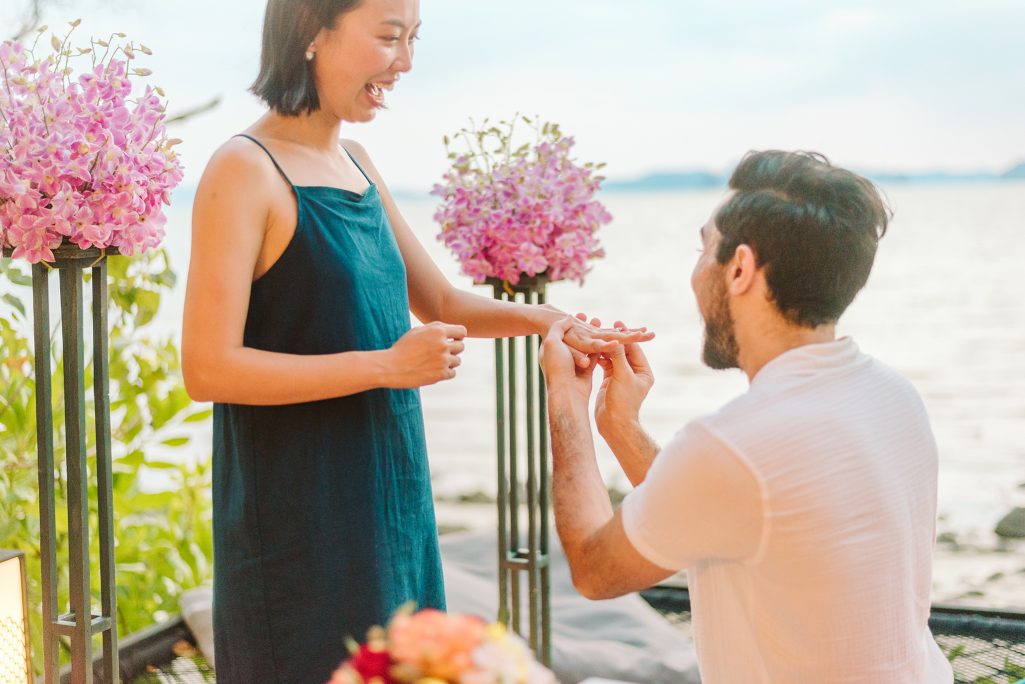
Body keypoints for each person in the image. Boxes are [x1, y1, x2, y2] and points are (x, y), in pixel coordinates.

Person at [180, 0, 650, 681]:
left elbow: (441, 302)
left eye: (413, 39)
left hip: (390, 505)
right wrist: (386, 365)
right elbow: (208, 368)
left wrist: (552, 321)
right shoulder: (244, 169)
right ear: (311, 33)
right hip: (298, 519)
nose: (404, 62)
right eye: (389, 37)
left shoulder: (358, 162)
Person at [540, 150, 954, 683]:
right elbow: (729, 509)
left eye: (702, 248)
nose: (694, 272)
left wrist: (564, 399)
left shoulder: (733, 445)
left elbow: (596, 571)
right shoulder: (894, 396)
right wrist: (620, 428)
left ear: (739, 268)